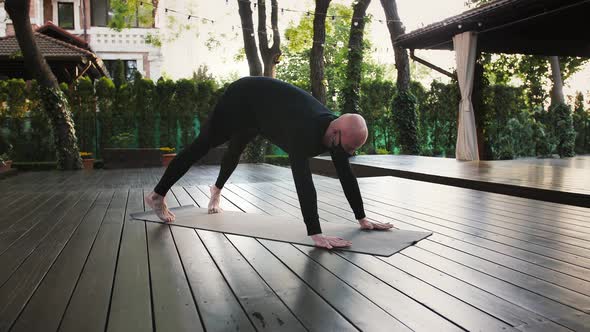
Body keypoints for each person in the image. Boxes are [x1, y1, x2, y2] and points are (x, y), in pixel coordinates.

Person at [145, 76, 392, 249]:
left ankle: (215, 192)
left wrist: (362, 218)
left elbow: (346, 173)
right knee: (203, 146)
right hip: (242, 98)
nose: (346, 154)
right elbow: (303, 180)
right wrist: (315, 232)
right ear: (336, 133)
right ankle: (158, 194)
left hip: (264, 113)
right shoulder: (304, 132)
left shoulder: (336, 134)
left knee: (236, 151)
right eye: (348, 148)